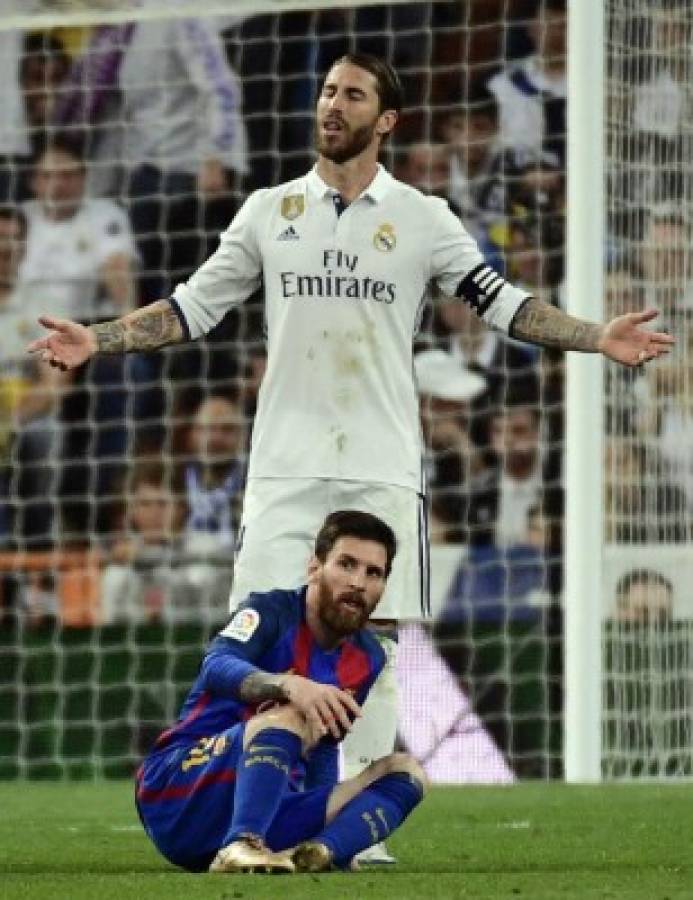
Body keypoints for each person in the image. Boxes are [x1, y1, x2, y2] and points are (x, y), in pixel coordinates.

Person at [28, 51, 673, 862]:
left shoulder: (425, 216)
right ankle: (239, 820)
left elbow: (500, 303)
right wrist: (102, 337)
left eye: (353, 94)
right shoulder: (270, 210)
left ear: (386, 120)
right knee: (256, 642)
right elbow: (194, 307)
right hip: (284, 469)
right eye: (329, 91)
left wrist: (593, 336)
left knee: (375, 646)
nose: (333, 104)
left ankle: (343, 834)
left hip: (380, 464)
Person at [135, 509, 427, 873]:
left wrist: (321, 818)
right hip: (180, 792)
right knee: (291, 714)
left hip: (272, 808)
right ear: (314, 567)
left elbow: (325, 746)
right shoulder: (268, 612)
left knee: (406, 769)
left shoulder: (368, 658)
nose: (358, 582)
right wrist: (289, 685)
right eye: (346, 564)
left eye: (373, 573)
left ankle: (320, 853)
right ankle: (240, 845)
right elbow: (215, 665)